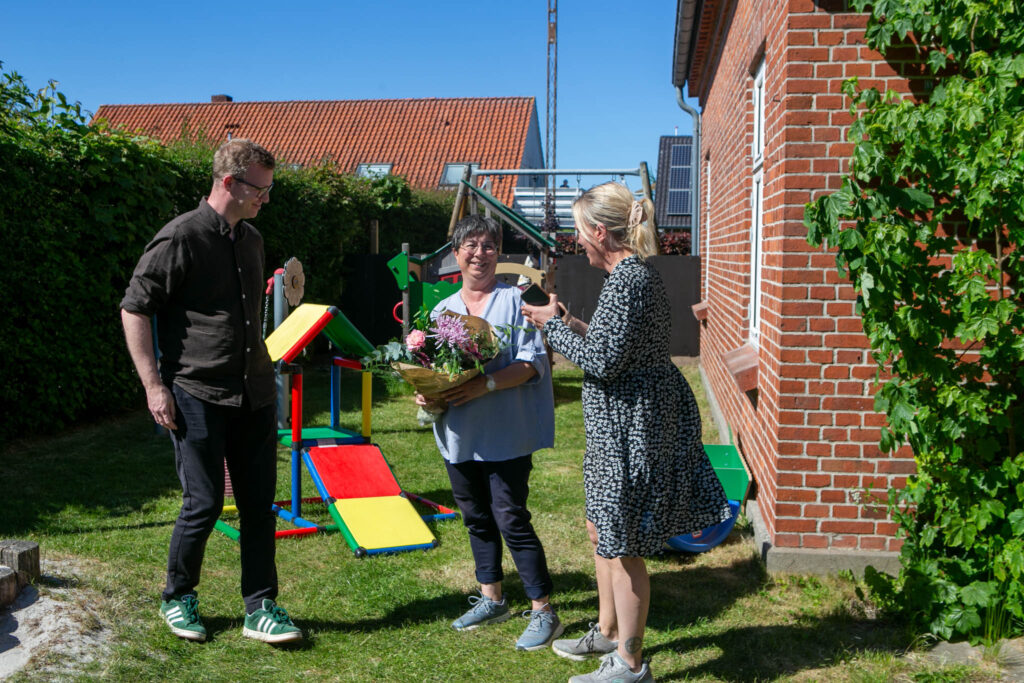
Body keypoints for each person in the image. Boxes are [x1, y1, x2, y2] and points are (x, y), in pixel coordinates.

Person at [522, 182, 730, 682]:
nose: (577, 242)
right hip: (619, 423)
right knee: (602, 529)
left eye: (579, 232)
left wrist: (551, 327)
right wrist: (570, 320)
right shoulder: (629, 277)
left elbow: (604, 361)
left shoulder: (629, 279)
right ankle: (609, 632)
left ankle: (630, 664)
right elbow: (616, 342)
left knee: (625, 542)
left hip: (633, 426)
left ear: (599, 231)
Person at [120, 138, 302, 645]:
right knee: (202, 502)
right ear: (229, 182)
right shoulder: (180, 237)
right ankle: (178, 598)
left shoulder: (251, 239)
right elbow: (135, 308)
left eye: (268, 189)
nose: (265, 199)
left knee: (259, 504)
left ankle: (260, 606)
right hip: (196, 392)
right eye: (259, 190)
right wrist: (154, 386)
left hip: (254, 394)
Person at [415, 214, 563, 651]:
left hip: (506, 433)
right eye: (471, 246)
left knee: (510, 516)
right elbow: (434, 371)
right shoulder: (442, 311)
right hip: (458, 433)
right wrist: (427, 394)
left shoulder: (517, 302)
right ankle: (491, 597)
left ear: (499, 253)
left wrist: (488, 383)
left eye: (489, 246)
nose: (480, 254)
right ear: (456, 253)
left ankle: (543, 611)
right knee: (476, 518)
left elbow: (534, 365)